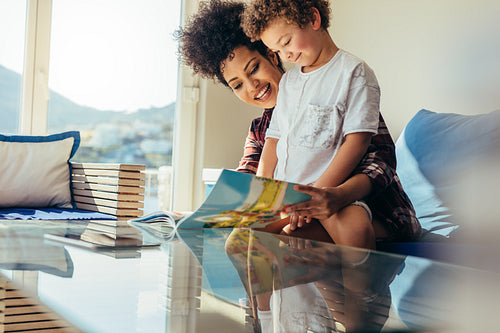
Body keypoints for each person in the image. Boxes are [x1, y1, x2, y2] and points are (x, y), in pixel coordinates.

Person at [176, 0, 420, 245]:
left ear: (271, 56)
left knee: (289, 240)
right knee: (245, 240)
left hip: (368, 210)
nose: (252, 86)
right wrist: (206, 216)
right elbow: (250, 180)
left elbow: (381, 159)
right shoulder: (261, 129)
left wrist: (321, 197)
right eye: (237, 85)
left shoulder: (342, 82)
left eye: (254, 69)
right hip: (297, 208)